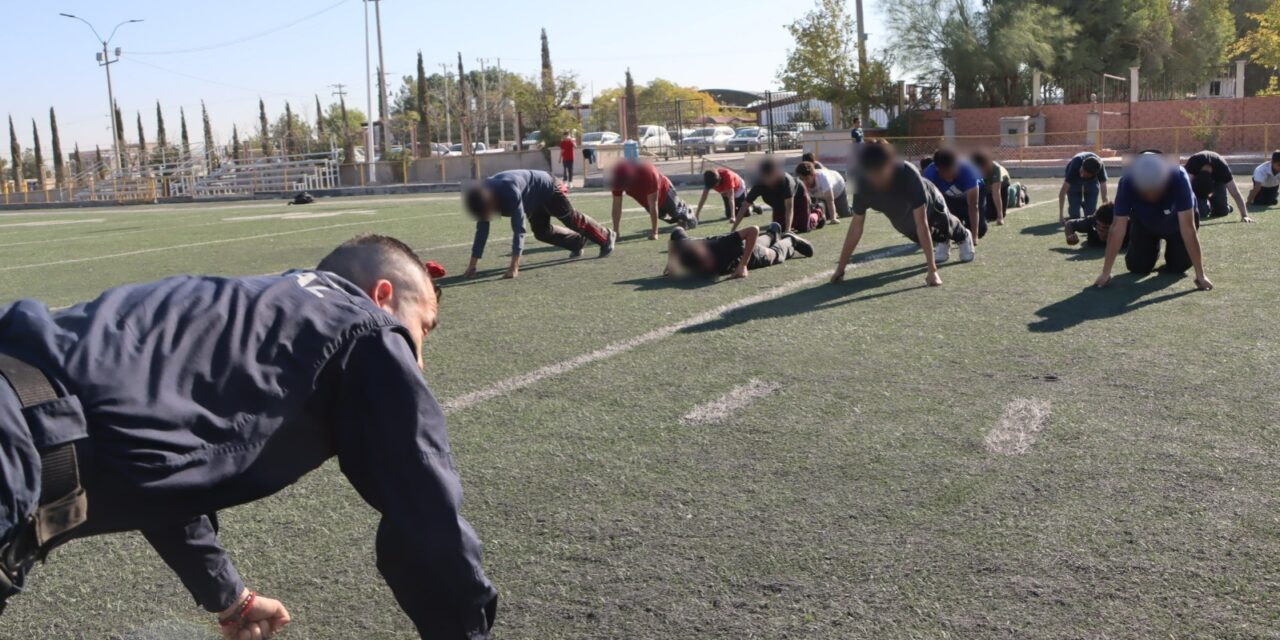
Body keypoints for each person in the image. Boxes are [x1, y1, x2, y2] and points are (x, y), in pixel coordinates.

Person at [0, 235, 499, 639]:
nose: (420, 358)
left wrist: (230, 597)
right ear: (382, 295)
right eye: (424, 329)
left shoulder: (246, 309)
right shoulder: (366, 327)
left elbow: (163, 465)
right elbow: (426, 513)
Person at [832, 142, 975, 288]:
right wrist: (841, 268)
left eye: (880, 172)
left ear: (890, 164)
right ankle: (942, 239)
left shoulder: (908, 173)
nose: (876, 179)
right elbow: (856, 227)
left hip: (929, 200)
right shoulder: (862, 183)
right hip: (899, 213)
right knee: (915, 234)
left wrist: (932, 271)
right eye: (871, 173)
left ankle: (963, 235)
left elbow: (922, 223)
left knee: (941, 221)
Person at [464, 169, 615, 279]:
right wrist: (472, 265)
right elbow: (482, 232)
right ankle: (577, 242)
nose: (488, 216)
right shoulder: (481, 198)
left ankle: (606, 236)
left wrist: (514, 267)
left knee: (571, 220)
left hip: (548, 187)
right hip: (532, 199)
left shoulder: (509, 191)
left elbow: (518, 230)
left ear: (492, 201)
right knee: (541, 232)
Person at [1094, 153, 1212, 290]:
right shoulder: (1126, 182)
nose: (1151, 196)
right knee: (1137, 267)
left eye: (1155, 190)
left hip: (1177, 225)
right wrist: (1105, 273)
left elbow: (1188, 229)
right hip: (1145, 222)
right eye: (1145, 192)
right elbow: (1117, 228)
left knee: (1178, 267)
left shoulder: (1179, 178)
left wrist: (1200, 275)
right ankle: (1151, 249)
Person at [664, 221, 813, 280]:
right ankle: (773, 232)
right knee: (759, 241)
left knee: (773, 256)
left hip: (746, 254)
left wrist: (743, 265)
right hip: (742, 244)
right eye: (704, 261)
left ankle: (790, 240)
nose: (708, 262)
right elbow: (677, 231)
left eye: (707, 257)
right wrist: (671, 262)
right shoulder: (685, 254)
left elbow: (753, 230)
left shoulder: (720, 244)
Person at [610, 160, 697, 240]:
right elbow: (617, 205)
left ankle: (688, 212)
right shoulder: (617, 179)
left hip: (665, 192)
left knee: (681, 217)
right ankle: (678, 218)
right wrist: (616, 231)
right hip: (646, 201)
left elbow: (653, 204)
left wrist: (655, 232)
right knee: (669, 219)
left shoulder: (648, 172)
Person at [732, 159, 820, 233]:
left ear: (775, 173)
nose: (766, 180)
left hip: (798, 198)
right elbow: (745, 205)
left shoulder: (786, 181)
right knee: (777, 228)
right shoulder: (759, 183)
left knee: (804, 228)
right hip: (779, 204)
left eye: (769, 176)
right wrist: (733, 229)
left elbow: (789, 208)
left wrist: (788, 230)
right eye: (764, 176)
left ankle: (818, 212)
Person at [923, 149, 986, 242]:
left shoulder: (968, 171)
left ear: (956, 165)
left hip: (974, 196)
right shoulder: (929, 175)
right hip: (950, 198)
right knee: (950, 231)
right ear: (937, 169)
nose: (949, 176)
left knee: (980, 231)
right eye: (944, 172)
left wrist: (974, 237)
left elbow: (973, 206)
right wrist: (928, 234)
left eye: (950, 170)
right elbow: (926, 205)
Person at [1185, 150, 1254, 223]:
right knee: (1201, 213)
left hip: (1218, 182)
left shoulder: (1222, 168)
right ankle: (1205, 206)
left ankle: (1226, 206)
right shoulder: (1193, 164)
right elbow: (1184, 189)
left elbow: (1235, 193)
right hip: (1197, 185)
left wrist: (1244, 215)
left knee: (1221, 212)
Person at [1058, 151, 1109, 223]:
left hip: (1091, 182)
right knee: (1074, 215)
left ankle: (1086, 206)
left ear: (1094, 174)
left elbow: (1104, 193)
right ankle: (1079, 205)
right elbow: (1062, 192)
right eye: (1082, 172)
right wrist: (1061, 215)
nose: (1082, 176)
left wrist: (1106, 215)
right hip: (1074, 180)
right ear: (1082, 165)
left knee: (1090, 215)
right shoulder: (1075, 165)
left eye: (1086, 175)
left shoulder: (1099, 168)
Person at [795, 160, 849, 225]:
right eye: (802, 179)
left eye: (806, 178)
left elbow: (830, 200)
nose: (804, 182)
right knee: (825, 217)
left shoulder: (823, 178)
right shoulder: (799, 182)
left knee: (845, 213)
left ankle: (850, 209)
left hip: (837, 188)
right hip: (821, 195)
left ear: (813, 175)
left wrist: (833, 219)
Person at [971, 151, 1010, 225]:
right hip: (987, 188)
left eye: (983, 168)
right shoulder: (971, 169)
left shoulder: (996, 168)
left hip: (1002, 186)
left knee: (996, 215)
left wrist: (1000, 217)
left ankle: (1018, 190)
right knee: (989, 215)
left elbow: (996, 193)